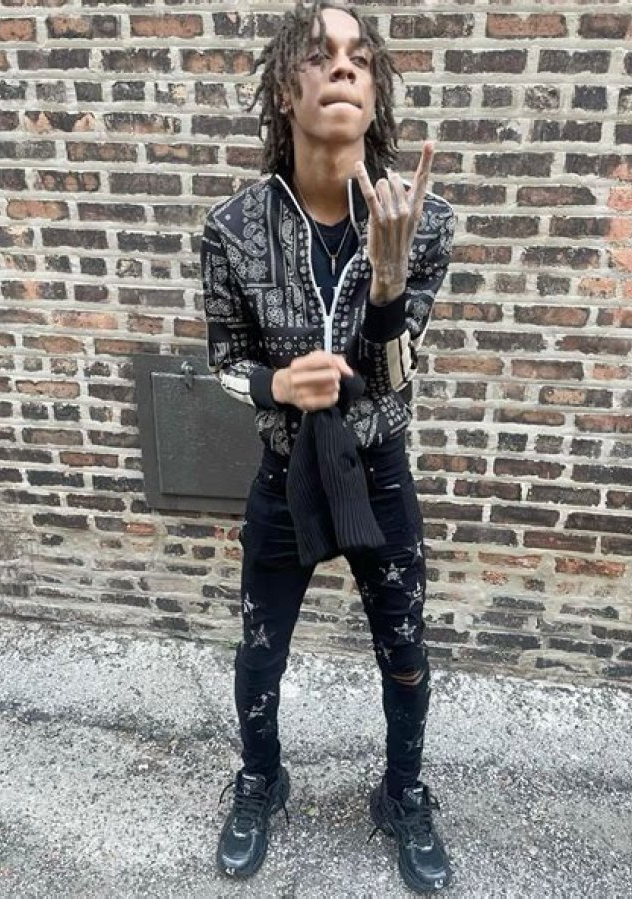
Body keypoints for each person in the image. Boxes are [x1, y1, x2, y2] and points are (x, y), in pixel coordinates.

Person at [200, 1, 455, 892]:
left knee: (406, 651)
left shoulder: (423, 220)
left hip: (377, 469)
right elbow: (223, 362)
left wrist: (388, 282)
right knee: (259, 650)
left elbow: (394, 374)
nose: (343, 67)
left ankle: (404, 792)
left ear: (374, 91)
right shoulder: (232, 229)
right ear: (285, 87)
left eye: (359, 58)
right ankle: (260, 781)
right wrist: (276, 384)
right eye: (319, 54)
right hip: (286, 472)